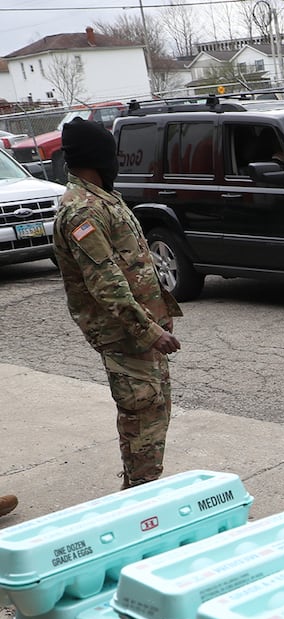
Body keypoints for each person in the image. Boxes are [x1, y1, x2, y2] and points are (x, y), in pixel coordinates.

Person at [53, 119, 182, 490]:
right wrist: (149, 329)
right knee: (142, 415)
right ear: (98, 158)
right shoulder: (82, 211)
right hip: (124, 333)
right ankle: (141, 499)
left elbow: (133, 263)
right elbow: (105, 283)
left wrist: (161, 314)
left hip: (141, 330)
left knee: (153, 412)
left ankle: (141, 487)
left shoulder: (102, 197)